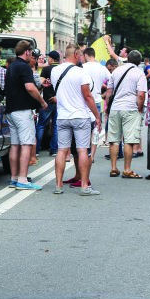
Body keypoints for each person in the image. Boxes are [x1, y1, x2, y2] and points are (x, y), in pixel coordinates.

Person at [50, 44, 101, 195]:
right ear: (76, 55)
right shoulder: (81, 72)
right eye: (79, 55)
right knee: (82, 150)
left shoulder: (54, 71)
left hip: (63, 116)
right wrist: (97, 116)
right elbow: (87, 96)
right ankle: (84, 186)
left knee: (61, 150)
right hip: (80, 116)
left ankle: (58, 185)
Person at [4, 41, 48, 190]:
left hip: (11, 110)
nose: (33, 55)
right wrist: (42, 102)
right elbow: (29, 87)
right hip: (22, 111)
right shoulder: (24, 67)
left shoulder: (11, 67)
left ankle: (14, 178)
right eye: (31, 52)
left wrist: (41, 87)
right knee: (27, 144)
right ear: (27, 52)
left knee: (15, 145)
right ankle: (23, 179)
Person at [105, 50, 147, 179]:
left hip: (116, 108)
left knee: (114, 140)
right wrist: (139, 109)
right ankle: (127, 169)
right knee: (129, 140)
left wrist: (108, 108)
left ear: (127, 59)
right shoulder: (139, 74)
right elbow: (141, 94)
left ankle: (113, 168)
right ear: (139, 62)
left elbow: (109, 91)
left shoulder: (116, 71)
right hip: (131, 108)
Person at [82, 47, 111, 162]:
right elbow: (111, 81)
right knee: (95, 130)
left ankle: (84, 153)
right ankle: (92, 156)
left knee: (83, 130)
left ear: (85, 55)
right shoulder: (102, 68)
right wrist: (106, 93)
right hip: (97, 101)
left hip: (84, 101)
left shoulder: (82, 67)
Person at [37, 50, 61, 157]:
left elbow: (41, 83)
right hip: (59, 101)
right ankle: (54, 150)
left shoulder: (46, 69)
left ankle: (36, 150)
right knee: (56, 126)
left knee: (41, 125)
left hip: (47, 101)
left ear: (51, 59)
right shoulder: (61, 69)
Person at [28, 49, 43, 165]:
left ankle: (32, 156)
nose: (36, 60)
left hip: (32, 106)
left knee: (32, 131)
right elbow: (36, 88)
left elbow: (37, 88)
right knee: (31, 132)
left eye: (37, 58)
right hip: (29, 105)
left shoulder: (34, 72)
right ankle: (32, 156)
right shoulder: (30, 71)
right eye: (34, 58)